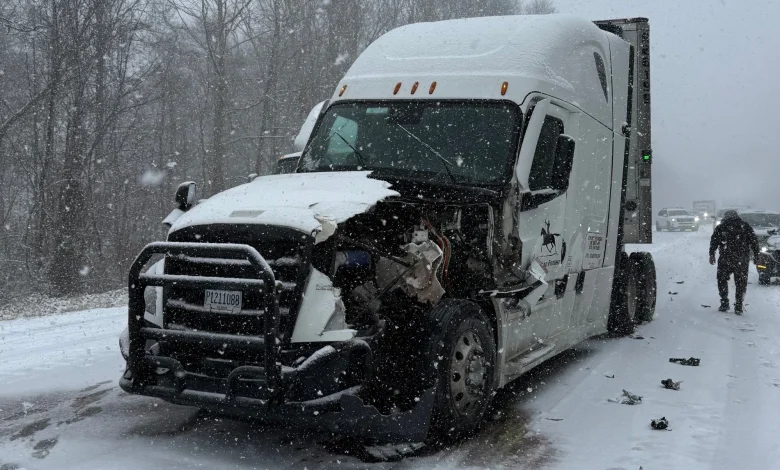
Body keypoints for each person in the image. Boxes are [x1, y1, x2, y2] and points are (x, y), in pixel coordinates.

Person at [709, 210, 759, 314]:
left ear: (726, 216)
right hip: (741, 259)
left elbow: (714, 241)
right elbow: (754, 240)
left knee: (722, 280)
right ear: (737, 216)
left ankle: (724, 302)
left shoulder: (722, 227)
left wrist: (712, 254)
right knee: (741, 282)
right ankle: (738, 305)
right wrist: (756, 255)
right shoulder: (745, 226)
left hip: (725, 258)